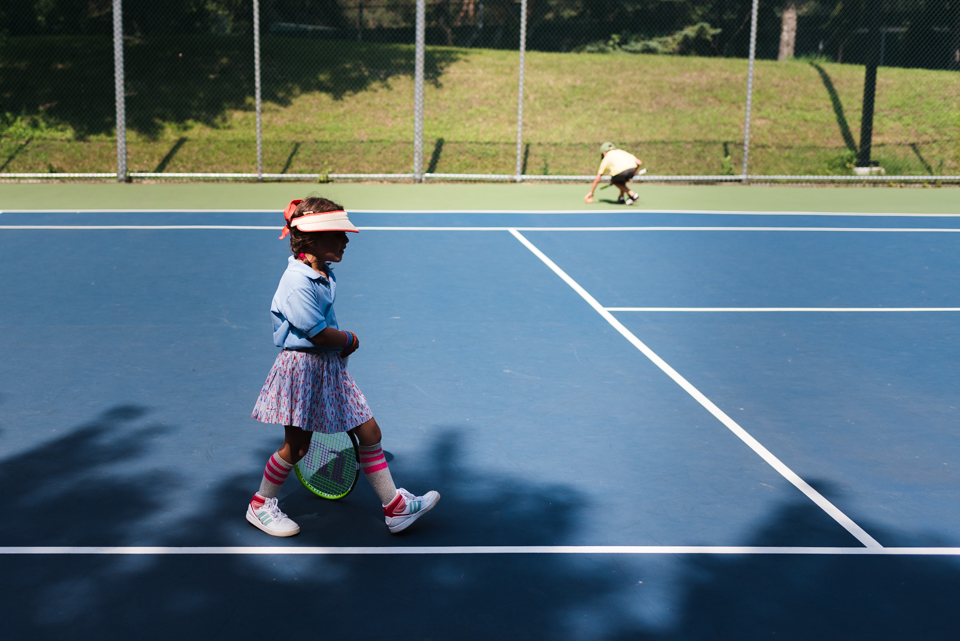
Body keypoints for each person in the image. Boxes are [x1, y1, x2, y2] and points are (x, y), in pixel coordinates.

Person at [247, 196, 440, 537]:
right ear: (311, 240)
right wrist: (349, 339)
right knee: (297, 447)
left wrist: (340, 349)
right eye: (337, 234)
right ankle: (261, 504)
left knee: (370, 432)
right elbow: (319, 334)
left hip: (327, 369)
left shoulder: (320, 272)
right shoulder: (296, 283)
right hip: (302, 372)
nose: (346, 240)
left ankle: (394, 508)